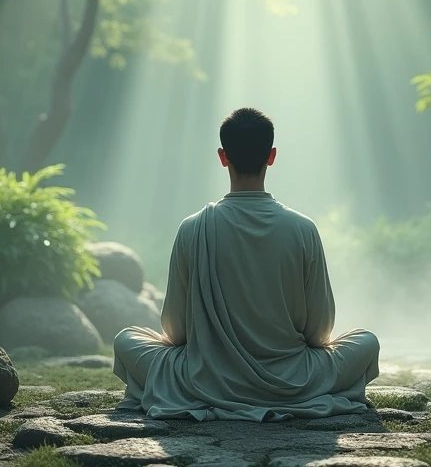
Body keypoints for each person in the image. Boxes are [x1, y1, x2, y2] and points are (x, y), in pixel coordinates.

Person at [112, 107, 380, 421]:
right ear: (272, 155)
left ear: (223, 156)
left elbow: (175, 331)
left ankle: (204, 391)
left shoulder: (193, 227)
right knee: (366, 342)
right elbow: (320, 332)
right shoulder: (302, 228)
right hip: (293, 380)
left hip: (205, 379)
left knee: (126, 340)